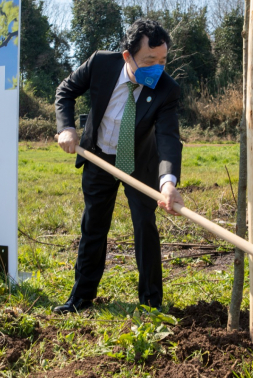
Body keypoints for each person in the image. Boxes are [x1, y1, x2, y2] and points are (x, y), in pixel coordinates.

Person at [53, 19, 184, 314]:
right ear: (128, 56)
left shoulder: (166, 89)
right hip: (98, 156)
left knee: (144, 227)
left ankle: (151, 302)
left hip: (138, 163)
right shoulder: (101, 63)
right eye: (150, 60)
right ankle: (81, 297)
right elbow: (66, 91)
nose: (157, 68)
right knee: (93, 226)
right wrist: (66, 128)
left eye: (163, 60)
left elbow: (168, 139)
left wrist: (168, 184)